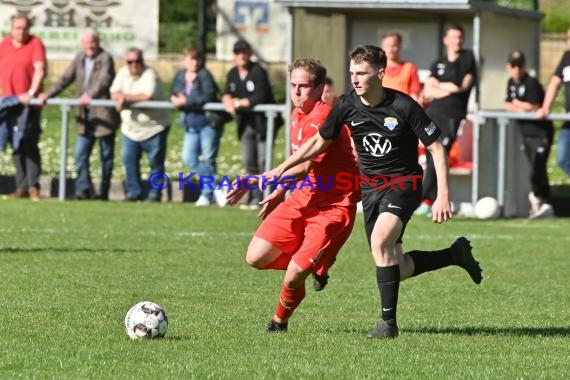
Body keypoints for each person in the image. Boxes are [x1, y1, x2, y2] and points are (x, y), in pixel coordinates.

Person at [263, 45, 482, 339]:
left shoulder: (403, 106)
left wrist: (443, 194)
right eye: (352, 73)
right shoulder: (347, 105)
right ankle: (454, 255)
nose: (354, 79)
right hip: (371, 190)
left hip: (403, 184)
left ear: (380, 73)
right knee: (396, 265)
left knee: (381, 241)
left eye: (361, 73)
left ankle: (387, 325)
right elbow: (319, 142)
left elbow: (436, 148)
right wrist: (281, 169)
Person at [226, 58, 360, 332]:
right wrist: (278, 192)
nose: (297, 92)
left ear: (321, 88)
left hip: (333, 206)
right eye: (293, 85)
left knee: (294, 274)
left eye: (304, 86)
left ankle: (278, 322)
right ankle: (315, 262)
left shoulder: (323, 116)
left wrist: (260, 180)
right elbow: (299, 167)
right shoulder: (297, 115)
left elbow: (305, 164)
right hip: (302, 197)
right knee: (255, 257)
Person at [38, 29, 118, 201]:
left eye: (92, 42)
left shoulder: (106, 58)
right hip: (85, 116)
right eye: (86, 43)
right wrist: (48, 94)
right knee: (80, 154)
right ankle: (84, 189)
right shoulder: (80, 58)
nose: (90, 46)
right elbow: (65, 79)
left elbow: (104, 80)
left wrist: (90, 95)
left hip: (103, 115)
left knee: (106, 156)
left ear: (98, 42)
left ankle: (103, 192)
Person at [419, 25, 477, 215]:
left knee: (440, 155)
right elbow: (428, 91)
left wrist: (441, 87)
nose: (458, 40)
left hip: (452, 115)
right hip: (433, 114)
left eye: (460, 37)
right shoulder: (438, 63)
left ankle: (416, 201)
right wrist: (448, 87)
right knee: (431, 157)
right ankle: (434, 204)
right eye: (454, 37)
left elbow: (462, 86)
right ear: (446, 39)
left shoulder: (468, 58)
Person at [222, 39, 277, 209]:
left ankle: (264, 197)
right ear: (234, 55)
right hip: (246, 124)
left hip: (263, 124)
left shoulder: (258, 71)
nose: (242, 56)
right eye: (238, 53)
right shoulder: (232, 73)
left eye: (244, 52)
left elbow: (261, 95)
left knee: (263, 161)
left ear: (250, 53)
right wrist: (227, 100)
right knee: (248, 161)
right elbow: (226, 93)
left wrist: (239, 103)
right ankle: (253, 197)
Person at [110, 47, 171, 202]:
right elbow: (114, 91)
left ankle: (155, 195)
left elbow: (146, 96)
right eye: (130, 62)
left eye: (138, 61)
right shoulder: (123, 73)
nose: (134, 65)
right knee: (129, 161)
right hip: (130, 129)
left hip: (154, 127)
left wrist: (125, 98)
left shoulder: (150, 75)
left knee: (156, 164)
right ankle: (133, 193)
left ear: (142, 61)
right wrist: (119, 96)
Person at [0, 14, 46, 202]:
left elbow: (39, 69)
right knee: (15, 145)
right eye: (18, 28)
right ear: (12, 29)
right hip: (9, 103)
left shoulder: (35, 44)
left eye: (24, 28)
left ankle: (34, 186)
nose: (21, 31)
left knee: (28, 142)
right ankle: (21, 187)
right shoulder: (5, 44)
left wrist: (32, 92)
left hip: (28, 104)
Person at [171, 45, 224, 207]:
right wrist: (174, 98)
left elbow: (207, 96)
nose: (194, 62)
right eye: (190, 59)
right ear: (184, 60)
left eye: (196, 59)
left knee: (209, 159)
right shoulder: (180, 75)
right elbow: (174, 91)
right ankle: (218, 187)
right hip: (191, 124)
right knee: (189, 158)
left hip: (208, 123)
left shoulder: (205, 75)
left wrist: (187, 101)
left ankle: (207, 196)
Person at [505, 50, 554, 219]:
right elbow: (507, 104)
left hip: (541, 133)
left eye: (519, 65)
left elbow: (534, 106)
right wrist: (520, 106)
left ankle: (540, 199)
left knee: (537, 169)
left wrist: (518, 104)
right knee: (536, 170)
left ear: (524, 66)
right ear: (508, 67)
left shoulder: (531, 83)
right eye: (513, 65)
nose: (516, 69)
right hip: (526, 134)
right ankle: (544, 204)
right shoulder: (511, 82)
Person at [538, 27, 570, 178]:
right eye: (568, 38)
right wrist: (545, 107)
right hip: (568, 120)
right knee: (563, 159)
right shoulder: (566, 57)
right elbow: (554, 84)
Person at [380, 32, 421, 101]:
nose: (390, 50)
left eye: (393, 46)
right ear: (382, 47)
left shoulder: (410, 68)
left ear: (400, 46)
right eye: (387, 46)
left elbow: (414, 95)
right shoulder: (377, 68)